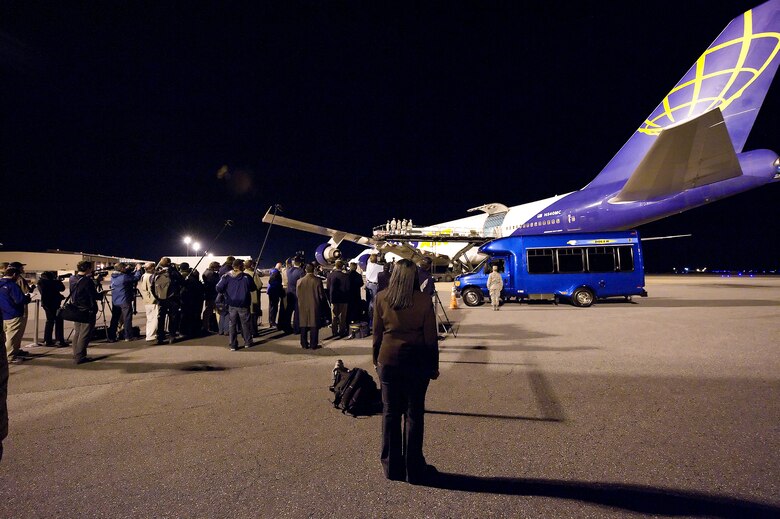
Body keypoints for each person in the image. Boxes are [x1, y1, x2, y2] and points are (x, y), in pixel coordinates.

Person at [372, 259, 439, 484]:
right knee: (414, 414)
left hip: (388, 360)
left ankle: (392, 467)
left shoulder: (382, 297)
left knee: (390, 413)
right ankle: (414, 468)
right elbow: (431, 338)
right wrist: (433, 365)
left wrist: (376, 360)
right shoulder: (423, 300)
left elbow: (377, 334)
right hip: (416, 361)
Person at [216, 259, 257, 350]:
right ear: (240, 266)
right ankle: (248, 342)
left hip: (231, 303)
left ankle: (233, 344)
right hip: (244, 303)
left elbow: (218, 287)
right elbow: (253, 288)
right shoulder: (246, 277)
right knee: (245, 324)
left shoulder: (226, 276)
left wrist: (226, 292)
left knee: (232, 324)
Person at [69, 261, 104, 364]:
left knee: (78, 332)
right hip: (87, 309)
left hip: (76, 309)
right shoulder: (87, 281)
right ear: (88, 269)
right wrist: (102, 294)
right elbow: (94, 295)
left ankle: (76, 354)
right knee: (85, 334)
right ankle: (80, 356)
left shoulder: (72, 278)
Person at [1, 267, 31, 364]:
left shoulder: (1, 283)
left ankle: (9, 353)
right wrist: (27, 298)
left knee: (5, 336)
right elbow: (19, 300)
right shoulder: (12, 285)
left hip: (3, 313)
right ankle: (10, 356)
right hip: (13, 313)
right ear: (14, 275)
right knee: (12, 336)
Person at [107, 262, 143, 342]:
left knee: (115, 319)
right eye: (125, 267)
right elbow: (136, 278)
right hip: (124, 300)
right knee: (127, 318)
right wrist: (138, 270)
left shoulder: (113, 276)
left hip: (115, 300)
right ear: (122, 269)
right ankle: (128, 336)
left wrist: (133, 270)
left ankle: (111, 336)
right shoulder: (124, 277)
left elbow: (128, 276)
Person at [152, 257, 184, 345]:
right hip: (173, 298)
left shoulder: (156, 273)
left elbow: (152, 286)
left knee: (161, 317)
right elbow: (182, 281)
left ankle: (160, 337)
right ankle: (171, 336)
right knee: (173, 317)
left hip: (161, 299)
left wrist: (157, 297)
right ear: (169, 263)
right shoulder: (173, 272)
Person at [296, 263, 325, 349]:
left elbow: (297, 294)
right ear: (314, 270)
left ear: (305, 270)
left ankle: (304, 343)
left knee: (303, 324)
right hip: (314, 305)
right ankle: (313, 344)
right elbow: (321, 295)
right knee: (314, 325)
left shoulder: (299, 281)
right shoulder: (317, 281)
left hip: (302, 305)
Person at [37, 271, 67, 346]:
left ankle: (47, 340)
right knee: (58, 321)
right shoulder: (52, 282)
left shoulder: (40, 282)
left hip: (46, 304)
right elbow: (62, 288)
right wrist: (58, 281)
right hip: (54, 303)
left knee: (49, 321)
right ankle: (59, 340)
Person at [179, 265, 205, 339]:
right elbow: (197, 287)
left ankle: (185, 331)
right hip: (190, 299)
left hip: (185, 299)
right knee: (189, 316)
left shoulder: (181, 276)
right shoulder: (190, 278)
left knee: (185, 316)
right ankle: (190, 331)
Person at [326, 260, 350, 338]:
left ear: (335, 266)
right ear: (342, 266)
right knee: (342, 316)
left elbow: (328, 287)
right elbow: (348, 288)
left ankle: (334, 331)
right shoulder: (346, 276)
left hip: (334, 298)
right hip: (344, 298)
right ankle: (342, 331)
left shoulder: (330, 275)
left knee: (334, 316)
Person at [138, 262, 158, 342]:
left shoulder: (144, 276)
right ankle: (151, 335)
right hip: (152, 300)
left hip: (146, 299)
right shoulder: (150, 277)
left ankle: (149, 334)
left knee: (150, 318)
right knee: (154, 318)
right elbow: (153, 289)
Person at [285, 258, 305, 334]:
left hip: (289, 293)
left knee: (289, 311)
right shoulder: (300, 271)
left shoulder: (288, 270)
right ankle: (296, 329)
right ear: (300, 263)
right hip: (297, 294)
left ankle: (287, 328)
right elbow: (302, 283)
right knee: (297, 312)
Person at [201, 261, 221, 334]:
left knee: (208, 311)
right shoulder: (212, 274)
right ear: (214, 267)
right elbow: (216, 283)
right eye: (218, 267)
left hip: (209, 295)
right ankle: (220, 327)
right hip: (213, 295)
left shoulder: (206, 272)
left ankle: (206, 327)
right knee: (216, 311)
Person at [245, 259, 263, 336]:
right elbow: (259, 285)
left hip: (245, 298)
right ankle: (254, 332)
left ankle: (247, 331)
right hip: (254, 298)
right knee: (253, 316)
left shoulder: (243, 273)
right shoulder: (253, 274)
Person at [364, 253, 382, 328]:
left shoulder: (368, 265)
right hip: (374, 285)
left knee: (368, 302)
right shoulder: (379, 267)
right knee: (373, 303)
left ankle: (369, 319)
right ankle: (373, 319)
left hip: (368, 284)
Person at [266, 262, 284, 329]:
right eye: (281, 267)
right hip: (274, 292)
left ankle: (271, 321)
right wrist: (279, 286)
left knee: (272, 307)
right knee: (274, 308)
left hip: (272, 291)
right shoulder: (275, 272)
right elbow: (271, 281)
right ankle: (272, 322)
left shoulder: (273, 271)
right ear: (279, 267)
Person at [346, 261, 364, 326]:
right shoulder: (358, 275)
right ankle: (356, 319)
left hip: (349, 293)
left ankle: (349, 319)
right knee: (356, 307)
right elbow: (361, 284)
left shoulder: (347, 275)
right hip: (356, 293)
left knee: (349, 307)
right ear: (356, 268)